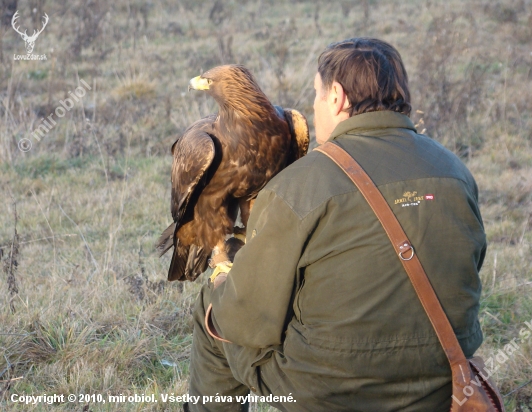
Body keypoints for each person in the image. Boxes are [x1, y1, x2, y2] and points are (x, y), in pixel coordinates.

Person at [186, 37, 486, 412]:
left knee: (215, 310)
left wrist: (220, 276)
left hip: (329, 394)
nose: (312, 106)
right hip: (440, 383)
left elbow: (248, 321)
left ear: (337, 98)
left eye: (316, 93)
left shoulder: (298, 185)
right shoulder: (456, 172)